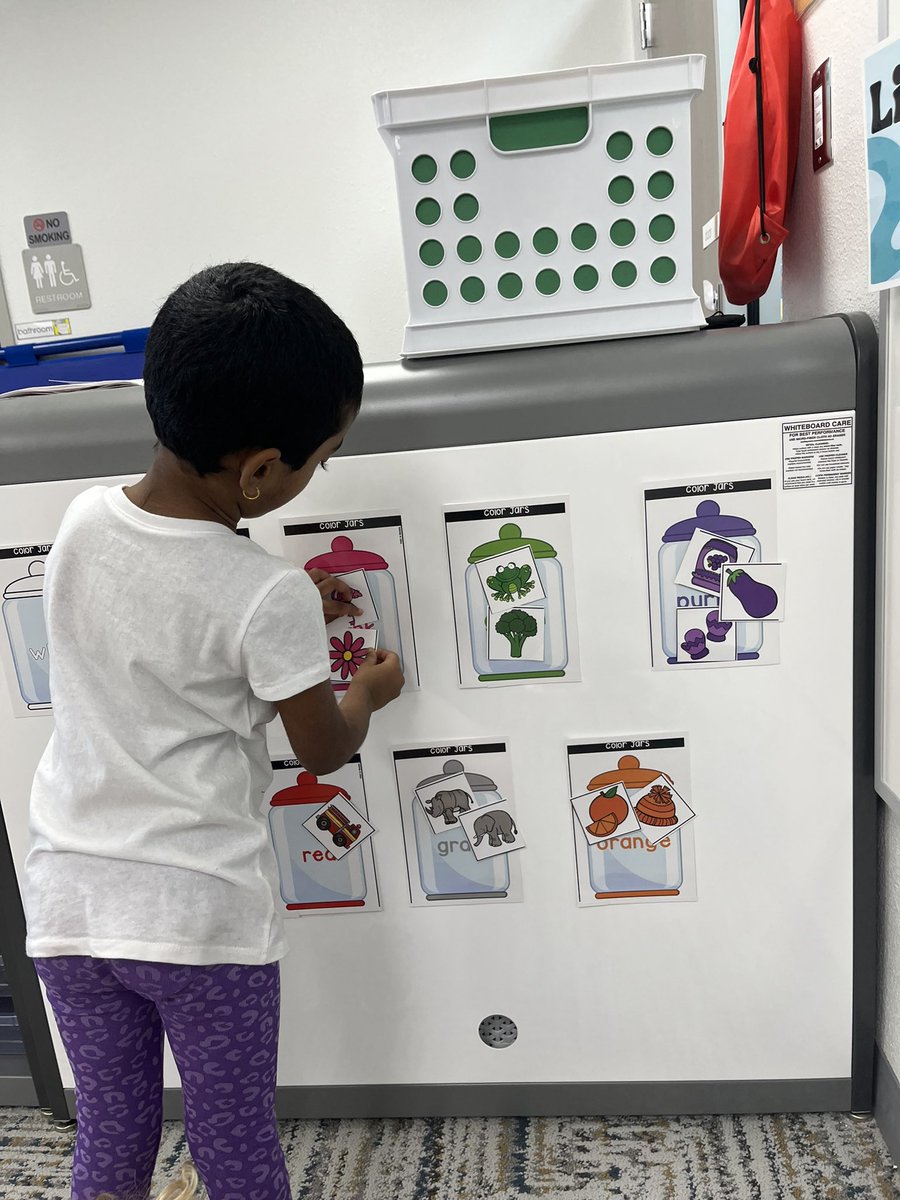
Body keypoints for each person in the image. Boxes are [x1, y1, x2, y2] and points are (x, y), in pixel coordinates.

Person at [22, 262, 404, 1200]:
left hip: (71, 906)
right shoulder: (265, 592)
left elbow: (157, 618)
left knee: (110, 1137)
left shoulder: (81, 521)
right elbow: (322, 747)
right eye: (323, 456)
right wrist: (371, 691)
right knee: (235, 1148)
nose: (322, 471)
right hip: (200, 923)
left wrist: (275, 618)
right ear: (262, 472)